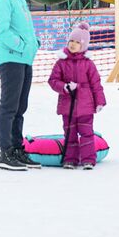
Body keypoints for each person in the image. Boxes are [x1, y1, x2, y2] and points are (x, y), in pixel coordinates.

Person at [0, 0, 39, 172]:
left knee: (21, 107)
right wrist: (21, 45)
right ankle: (6, 152)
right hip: (11, 58)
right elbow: (3, 30)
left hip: (24, 59)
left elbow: (24, 27)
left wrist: (33, 43)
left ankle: (17, 148)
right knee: (9, 107)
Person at [48, 23, 106, 170]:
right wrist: (64, 87)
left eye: (77, 42)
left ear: (84, 45)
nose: (73, 44)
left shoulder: (88, 64)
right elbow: (53, 80)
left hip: (86, 107)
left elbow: (96, 84)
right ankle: (70, 159)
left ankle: (88, 160)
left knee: (87, 134)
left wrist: (100, 101)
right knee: (70, 134)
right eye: (71, 41)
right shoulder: (61, 63)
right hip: (68, 106)